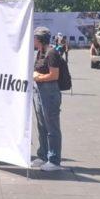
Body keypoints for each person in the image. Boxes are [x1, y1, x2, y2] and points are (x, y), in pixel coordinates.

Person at [32, 27, 65, 171]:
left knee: (52, 127)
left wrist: (38, 77)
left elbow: (54, 75)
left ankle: (54, 160)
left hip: (50, 92)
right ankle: (43, 155)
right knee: (42, 125)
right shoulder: (40, 52)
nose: (33, 40)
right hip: (40, 92)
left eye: (34, 37)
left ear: (39, 39)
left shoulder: (51, 53)